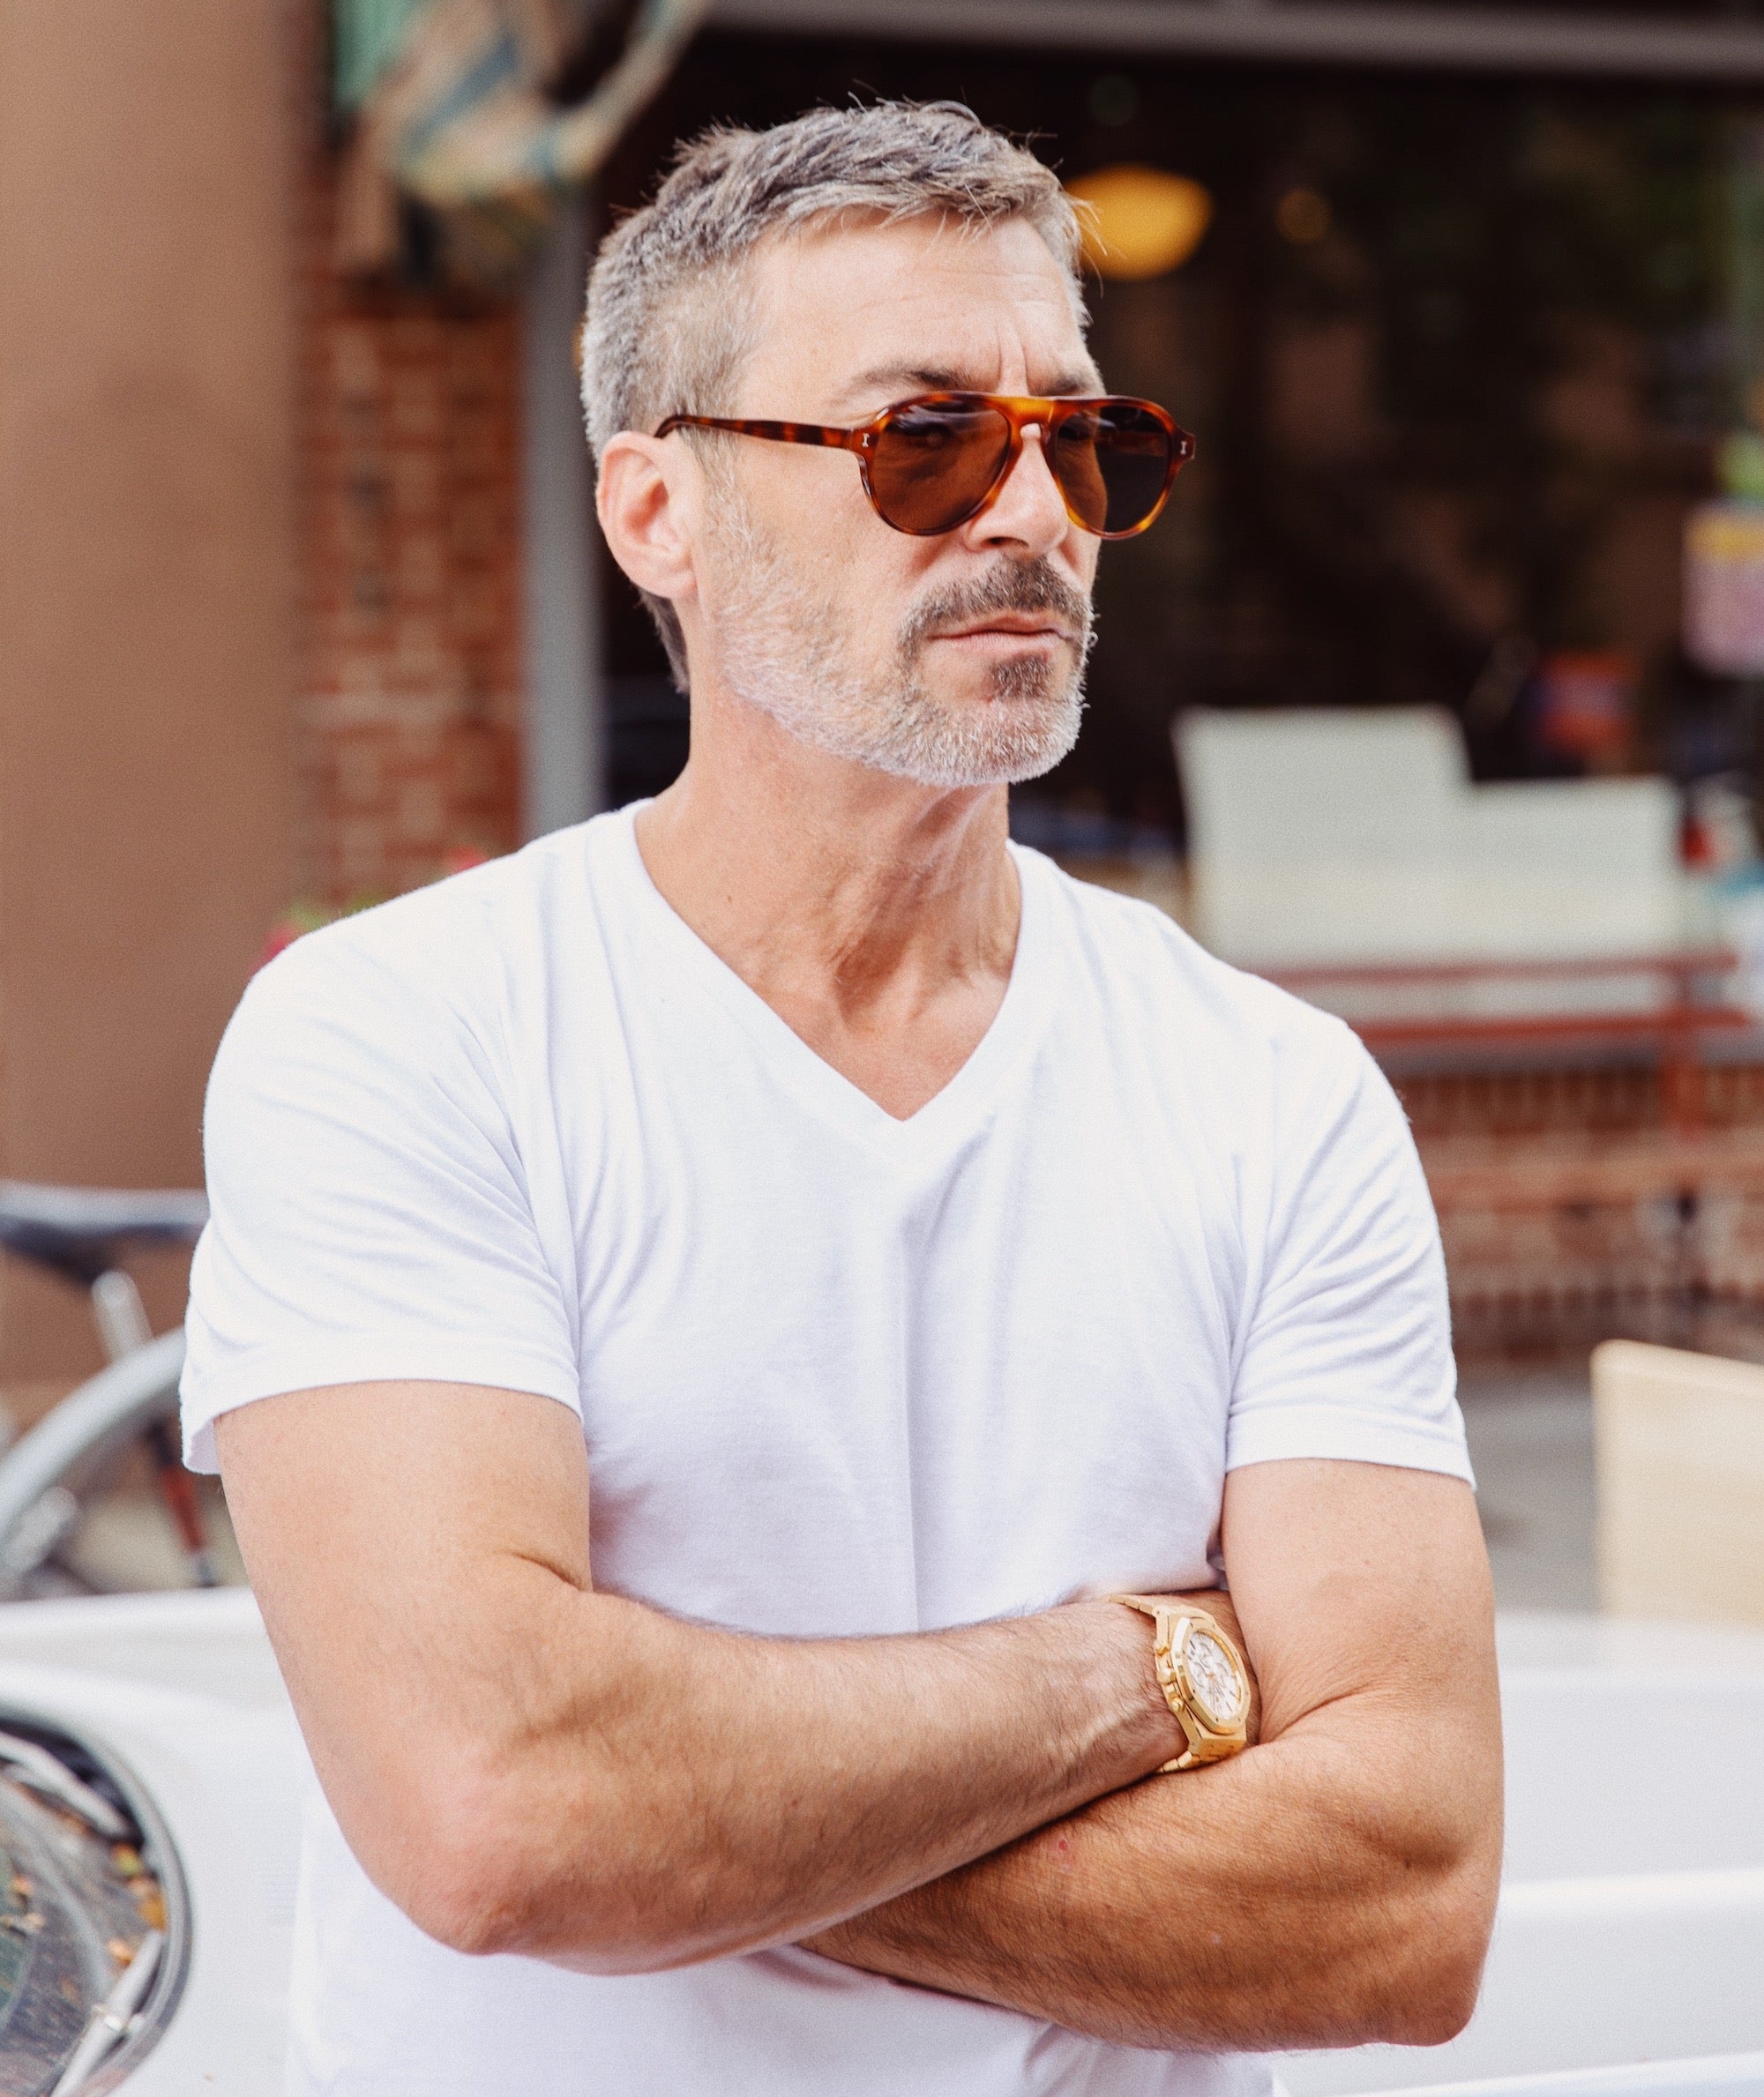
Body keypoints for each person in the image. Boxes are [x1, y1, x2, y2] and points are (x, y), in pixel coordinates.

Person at [184, 101, 1501, 2097]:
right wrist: (1142, 1668)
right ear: (658, 514)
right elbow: (495, 1808)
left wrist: (682, 1815)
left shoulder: (1271, 1092)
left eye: (1080, 437)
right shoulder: (403, 1034)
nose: (1034, 510)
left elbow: (1402, 1903)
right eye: (925, 439)